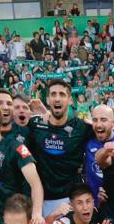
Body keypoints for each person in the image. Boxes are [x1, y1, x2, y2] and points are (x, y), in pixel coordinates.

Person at [27, 80, 96, 215]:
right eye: (53, 94)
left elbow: (110, 127)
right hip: (39, 200)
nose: (57, 98)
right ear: (47, 99)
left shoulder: (81, 127)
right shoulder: (35, 125)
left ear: (70, 100)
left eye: (62, 94)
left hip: (68, 201)